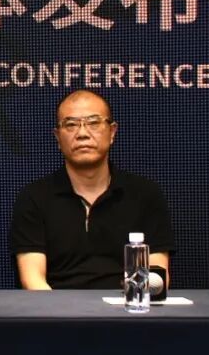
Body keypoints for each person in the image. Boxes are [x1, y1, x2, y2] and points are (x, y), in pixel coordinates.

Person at [11, 90, 174, 290]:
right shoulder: (34, 198)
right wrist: (61, 309)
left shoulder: (145, 195)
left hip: (127, 305)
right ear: (57, 137)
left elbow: (157, 277)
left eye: (94, 123)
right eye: (71, 125)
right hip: (56, 305)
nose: (82, 134)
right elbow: (32, 279)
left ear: (112, 132)